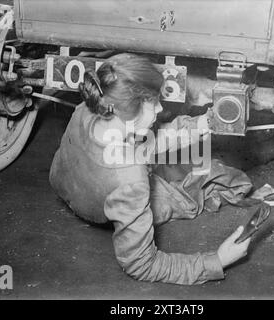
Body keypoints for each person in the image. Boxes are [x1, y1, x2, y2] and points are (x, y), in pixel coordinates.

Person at [49, 53, 254, 285]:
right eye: (153, 102)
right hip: (98, 208)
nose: (159, 109)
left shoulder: (87, 109)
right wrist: (217, 260)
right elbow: (142, 265)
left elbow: (144, 142)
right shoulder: (131, 179)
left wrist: (202, 124)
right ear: (127, 109)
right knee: (201, 183)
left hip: (69, 188)